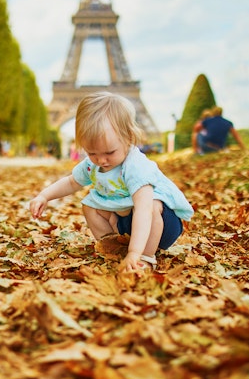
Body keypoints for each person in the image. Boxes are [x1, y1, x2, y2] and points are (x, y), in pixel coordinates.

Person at [29, 92, 194, 273]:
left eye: (109, 153)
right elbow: (71, 182)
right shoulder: (93, 164)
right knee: (89, 205)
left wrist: (135, 252)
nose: (101, 160)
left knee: (153, 204)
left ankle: (145, 257)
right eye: (92, 153)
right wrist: (44, 196)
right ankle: (113, 246)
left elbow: (144, 211)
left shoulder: (136, 166)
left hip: (161, 224)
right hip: (127, 222)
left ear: (129, 138)